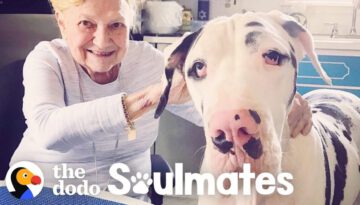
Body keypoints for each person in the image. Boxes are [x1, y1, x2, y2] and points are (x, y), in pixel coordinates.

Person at [10, 0, 312, 202]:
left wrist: (280, 104)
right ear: (62, 23)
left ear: (131, 23)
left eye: (116, 25)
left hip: (125, 197)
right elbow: (49, 130)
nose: (102, 41)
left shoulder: (150, 61)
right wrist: (149, 97)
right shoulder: (46, 59)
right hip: (43, 191)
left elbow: (210, 111)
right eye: (86, 24)